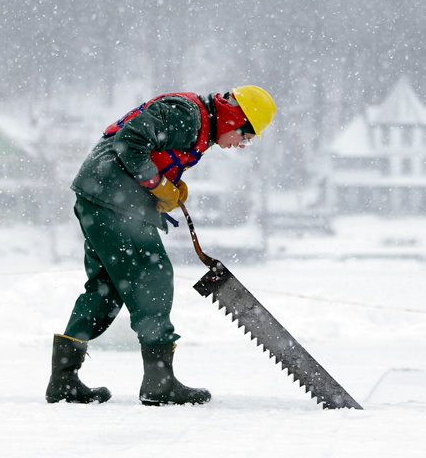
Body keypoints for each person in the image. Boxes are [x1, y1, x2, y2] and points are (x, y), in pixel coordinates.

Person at [45, 85, 277, 406]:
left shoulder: (198, 125)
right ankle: (159, 382)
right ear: (235, 118)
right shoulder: (186, 113)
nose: (242, 144)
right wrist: (157, 184)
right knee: (151, 276)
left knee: (107, 288)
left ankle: (64, 379)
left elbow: (145, 151)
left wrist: (166, 185)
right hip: (115, 200)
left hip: (100, 195)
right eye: (246, 136)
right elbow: (130, 142)